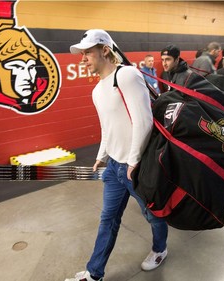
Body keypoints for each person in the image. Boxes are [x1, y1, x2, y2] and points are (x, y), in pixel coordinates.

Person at [66, 29, 168, 281]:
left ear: (105, 50)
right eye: (81, 54)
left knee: (152, 215)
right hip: (114, 167)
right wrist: (102, 155)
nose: (83, 58)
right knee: (108, 218)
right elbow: (107, 127)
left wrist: (133, 162)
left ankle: (160, 249)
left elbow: (143, 121)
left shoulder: (127, 75)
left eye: (87, 52)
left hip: (137, 167)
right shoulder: (97, 90)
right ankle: (94, 273)